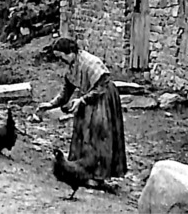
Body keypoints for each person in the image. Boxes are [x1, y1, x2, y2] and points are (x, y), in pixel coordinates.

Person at [37, 37, 127, 188]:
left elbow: (102, 84)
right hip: (88, 98)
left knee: (99, 134)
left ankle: (99, 177)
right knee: (82, 131)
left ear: (70, 52)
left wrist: (82, 100)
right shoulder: (73, 67)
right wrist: (50, 105)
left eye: (62, 57)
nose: (61, 60)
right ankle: (81, 172)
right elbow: (66, 92)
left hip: (103, 97)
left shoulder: (89, 63)